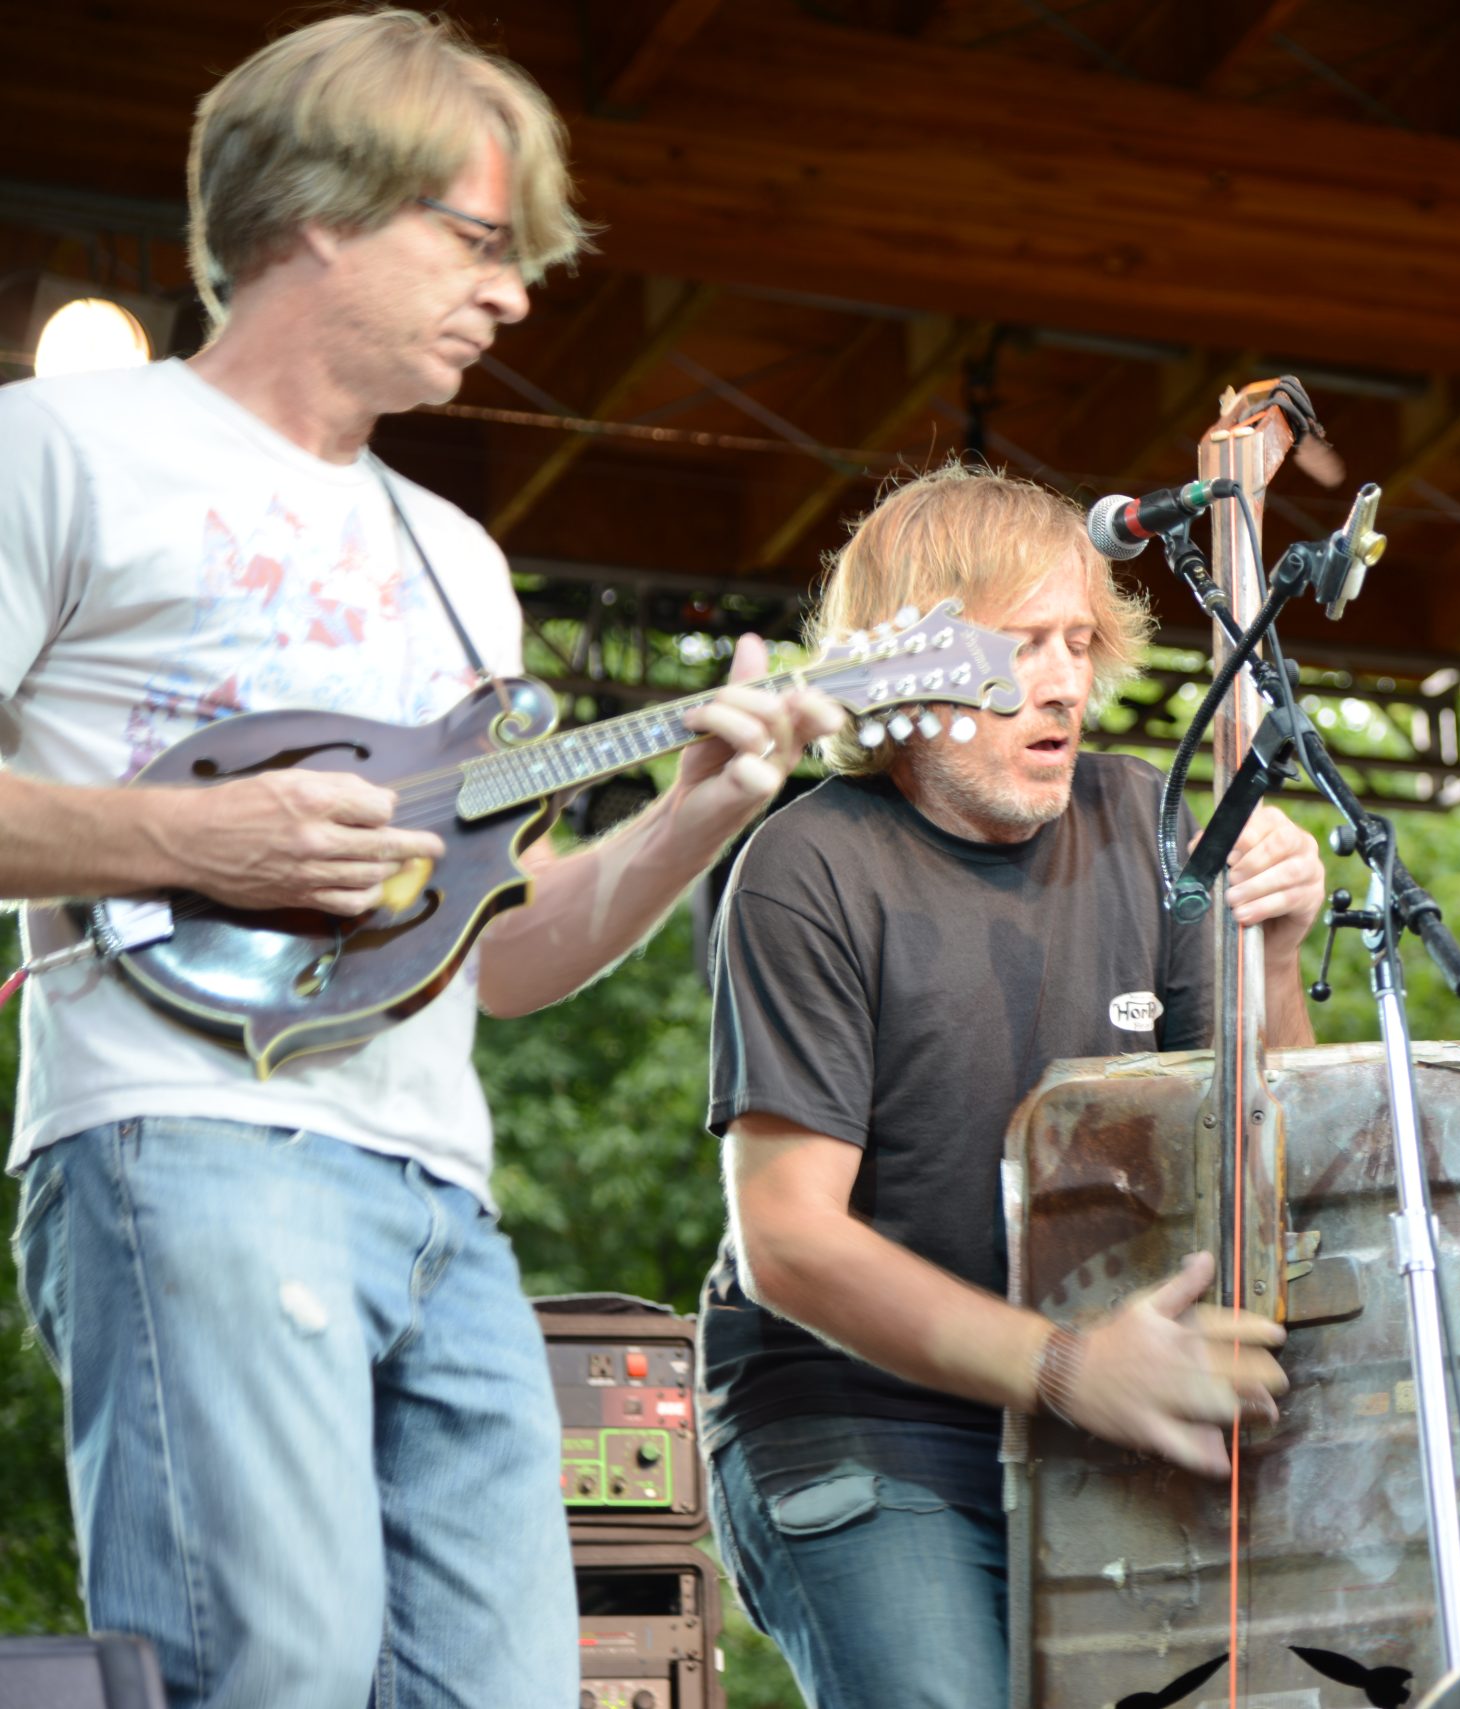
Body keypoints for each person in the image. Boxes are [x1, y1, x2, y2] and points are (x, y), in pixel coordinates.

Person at [0, 14, 841, 1708]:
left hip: (440, 1192)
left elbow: (503, 950)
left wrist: (698, 810)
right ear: (319, 211)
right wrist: (188, 831)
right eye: (477, 240)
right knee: (269, 1667)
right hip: (190, 1142)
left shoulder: (457, 557)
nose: (515, 291)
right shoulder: (61, 449)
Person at [699, 460, 1326, 1708]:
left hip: (1096, 1396)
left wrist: (1278, 953)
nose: (1061, 680)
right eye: (1018, 642)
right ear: (908, 664)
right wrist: (1064, 1366)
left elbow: (1277, 1153)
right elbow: (786, 1241)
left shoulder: (1145, 823)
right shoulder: (805, 861)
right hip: (856, 1410)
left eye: (1081, 640)